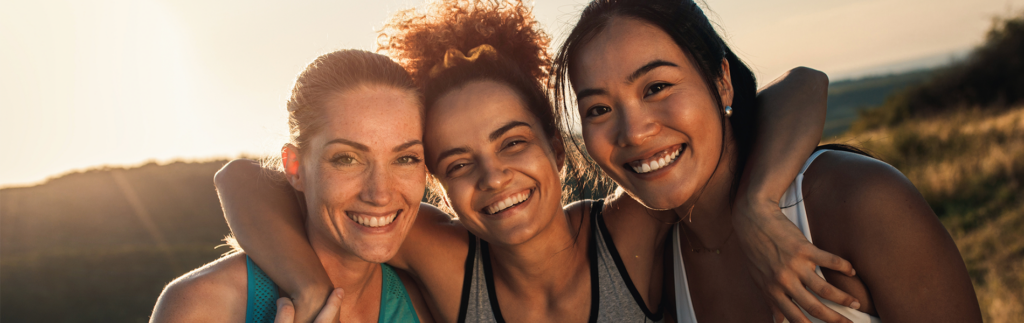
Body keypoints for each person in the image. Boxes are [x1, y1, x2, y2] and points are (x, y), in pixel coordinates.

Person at [219, 1, 869, 323]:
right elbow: (241, 179)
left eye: (513, 143)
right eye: (459, 161)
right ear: (438, 184)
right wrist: (311, 291)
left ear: (557, 146)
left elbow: (799, 85)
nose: (494, 177)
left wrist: (760, 201)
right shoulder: (444, 261)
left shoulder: (632, 230)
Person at [552, 0, 984, 322]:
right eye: (598, 110)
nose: (633, 131)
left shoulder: (858, 199)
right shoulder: (657, 261)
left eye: (656, 87)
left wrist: (755, 204)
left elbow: (804, 81)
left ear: (722, 83)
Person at [149, 50, 434, 323]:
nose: (380, 193)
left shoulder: (427, 301)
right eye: (347, 159)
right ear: (295, 167)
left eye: (405, 158)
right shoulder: (203, 305)